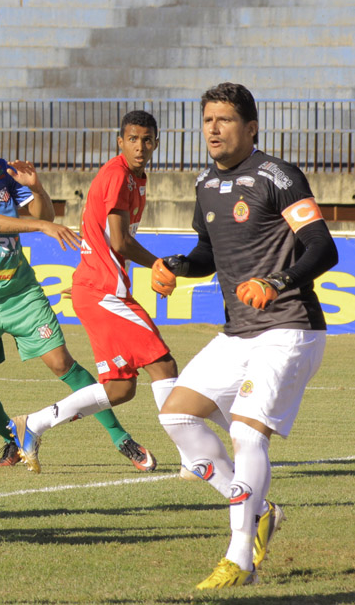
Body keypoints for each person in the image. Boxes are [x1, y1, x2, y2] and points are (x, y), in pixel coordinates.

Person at [152, 83, 337, 589]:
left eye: (225, 120)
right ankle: (258, 509)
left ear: (250, 128)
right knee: (177, 414)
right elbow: (206, 252)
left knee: (245, 432)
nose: (213, 128)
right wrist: (177, 265)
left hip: (290, 328)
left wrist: (277, 282)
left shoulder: (277, 176)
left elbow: (323, 250)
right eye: (208, 119)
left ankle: (240, 562)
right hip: (239, 332)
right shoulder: (206, 183)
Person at [0, 114, 151, 473]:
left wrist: (37, 190)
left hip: (21, 292)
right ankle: (13, 438)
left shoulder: (0, 173)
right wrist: (42, 225)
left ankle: (121, 437)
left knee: (62, 363)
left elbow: (42, 211)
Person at [10, 111, 183, 471]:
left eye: (147, 139)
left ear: (156, 143)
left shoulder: (137, 178)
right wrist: (156, 263)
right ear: (120, 142)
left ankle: (34, 424)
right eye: (133, 139)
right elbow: (119, 241)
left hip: (98, 289)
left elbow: (111, 238)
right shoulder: (118, 174)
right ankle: (195, 459)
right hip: (105, 292)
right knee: (164, 366)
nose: (140, 146)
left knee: (121, 390)